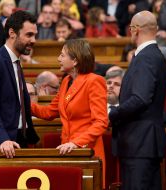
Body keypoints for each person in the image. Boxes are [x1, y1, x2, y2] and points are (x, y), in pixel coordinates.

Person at [31, 39, 108, 188]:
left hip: (88, 153)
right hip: (68, 152)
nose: (58, 59)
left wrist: (75, 143)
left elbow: (101, 122)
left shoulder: (94, 81)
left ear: (75, 61)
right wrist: (23, 104)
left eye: (62, 55)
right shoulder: (66, 81)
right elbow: (49, 112)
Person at [109, 11, 166, 190]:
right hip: (143, 143)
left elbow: (140, 99)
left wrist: (112, 112)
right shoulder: (154, 55)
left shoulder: (146, 58)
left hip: (140, 143)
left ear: (134, 30)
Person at [0, 11, 40, 158]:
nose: (34, 40)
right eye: (29, 35)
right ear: (12, 33)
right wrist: (3, 139)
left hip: (17, 140)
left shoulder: (15, 62)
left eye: (35, 35)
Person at [106, 69, 166, 143]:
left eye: (117, 84)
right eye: (109, 83)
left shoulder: (132, 106)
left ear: (125, 88)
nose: (111, 86)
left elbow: (160, 114)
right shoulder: (95, 104)